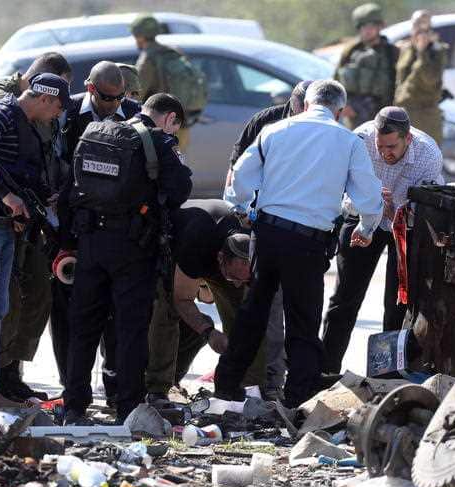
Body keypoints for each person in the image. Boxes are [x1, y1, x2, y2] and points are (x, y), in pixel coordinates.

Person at [217, 80, 383, 407]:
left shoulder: (274, 131)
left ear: (306, 104)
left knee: (253, 313)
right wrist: (366, 227)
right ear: (339, 111)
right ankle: (297, 400)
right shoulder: (348, 142)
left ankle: (226, 385)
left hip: (267, 235)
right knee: (303, 323)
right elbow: (369, 195)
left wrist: (243, 209)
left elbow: (239, 178)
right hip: (309, 243)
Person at [57, 93, 192, 425]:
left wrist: (69, 243)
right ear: (170, 119)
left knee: (84, 327)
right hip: (133, 247)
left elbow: (69, 192)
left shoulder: (98, 133)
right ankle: (127, 408)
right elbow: (180, 190)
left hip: (90, 243)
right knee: (131, 328)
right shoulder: (158, 142)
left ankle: (74, 407)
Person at [321, 106, 444, 376]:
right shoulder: (360, 140)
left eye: (391, 147)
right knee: (345, 298)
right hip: (362, 214)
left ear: (407, 138)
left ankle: (387, 375)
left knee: (397, 303)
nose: (385, 153)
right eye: (380, 146)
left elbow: (420, 211)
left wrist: (391, 208)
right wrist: (370, 209)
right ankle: (325, 371)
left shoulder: (428, 154)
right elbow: (344, 191)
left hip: (404, 224)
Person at [0, 73, 72, 409]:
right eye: (57, 107)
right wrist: (6, 195)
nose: (57, 115)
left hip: (9, 226)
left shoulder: (27, 124)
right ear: (45, 98)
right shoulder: (0, 114)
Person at [51, 62, 141, 407]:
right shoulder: (68, 113)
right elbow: (56, 161)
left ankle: (114, 387)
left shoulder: (134, 115)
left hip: (120, 232)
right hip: (74, 227)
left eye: (119, 98)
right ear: (91, 89)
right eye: (107, 98)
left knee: (117, 317)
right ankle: (71, 387)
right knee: (71, 313)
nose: (114, 105)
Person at [146, 199, 287, 403]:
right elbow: (182, 299)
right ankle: (158, 388)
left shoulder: (254, 248)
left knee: (247, 317)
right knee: (167, 310)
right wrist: (209, 332)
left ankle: (248, 387)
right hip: (177, 247)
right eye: (234, 278)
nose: (237, 285)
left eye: (244, 280)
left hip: (222, 256)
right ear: (220, 258)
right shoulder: (197, 243)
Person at [130, 13, 206, 151]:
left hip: (159, 129)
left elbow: (135, 95)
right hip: (180, 124)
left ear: (139, 36)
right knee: (177, 162)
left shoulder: (147, 59)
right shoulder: (174, 52)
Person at [225, 80, 312, 189]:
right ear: (293, 103)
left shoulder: (328, 126)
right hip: (268, 192)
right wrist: (229, 196)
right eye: (304, 109)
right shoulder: (265, 121)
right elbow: (236, 165)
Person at [333, 3, 399, 129]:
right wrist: (343, 105)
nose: (367, 30)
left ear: (379, 27)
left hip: (384, 115)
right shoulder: (350, 51)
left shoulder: (391, 52)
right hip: (355, 116)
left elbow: (400, 83)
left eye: (371, 26)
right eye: (363, 27)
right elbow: (337, 81)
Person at [394, 10, 448, 145]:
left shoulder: (436, 51)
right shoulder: (406, 49)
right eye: (416, 25)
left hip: (425, 115)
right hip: (404, 113)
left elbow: (429, 79)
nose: (419, 31)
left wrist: (422, 52)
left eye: (424, 27)